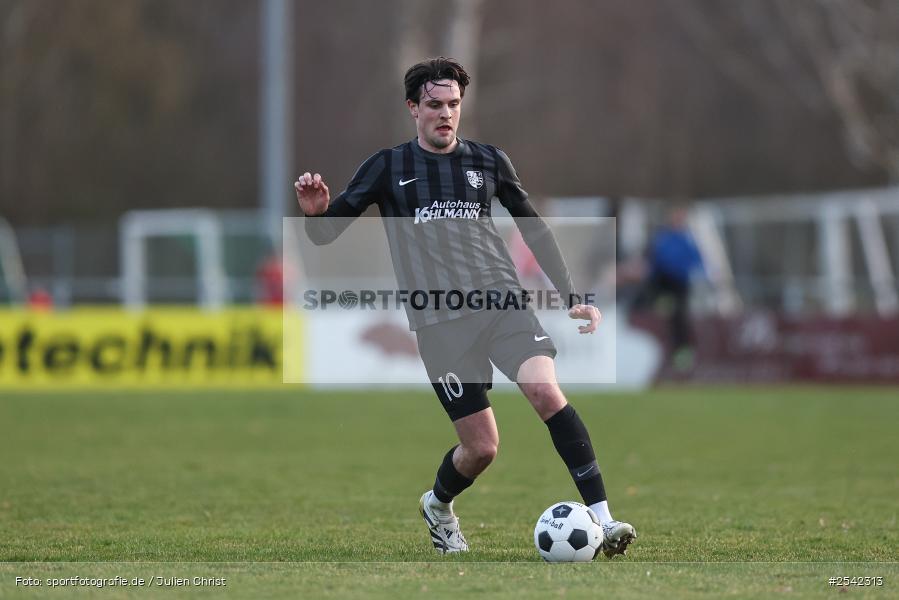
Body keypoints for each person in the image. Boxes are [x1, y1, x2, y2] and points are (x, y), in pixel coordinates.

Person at [294, 57, 635, 558]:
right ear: (413, 108)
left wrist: (571, 295)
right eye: (434, 104)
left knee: (544, 391)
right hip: (440, 322)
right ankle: (438, 506)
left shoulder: (488, 161)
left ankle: (604, 521)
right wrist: (317, 213)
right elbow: (325, 236)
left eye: (453, 104)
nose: (446, 113)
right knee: (482, 449)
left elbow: (532, 226)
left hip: (502, 302)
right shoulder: (387, 167)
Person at [635, 205, 705, 371]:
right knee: (654, 307)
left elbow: (697, 261)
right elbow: (654, 260)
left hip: (679, 283)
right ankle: (660, 302)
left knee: (679, 316)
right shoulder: (663, 237)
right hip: (663, 282)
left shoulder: (687, 239)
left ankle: (683, 350)